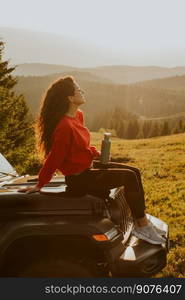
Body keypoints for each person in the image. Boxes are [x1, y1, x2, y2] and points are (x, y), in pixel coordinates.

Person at [18, 76, 166, 245]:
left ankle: (142, 220)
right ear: (70, 97)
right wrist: (40, 183)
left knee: (134, 172)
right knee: (129, 178)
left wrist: (94, 153)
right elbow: (55, 158)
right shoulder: (64, 126)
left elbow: (79, 148)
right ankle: (142, 227)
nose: (82, 92)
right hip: (80, 179)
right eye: (78, 90)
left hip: (88, 169)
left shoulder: (78, 116)